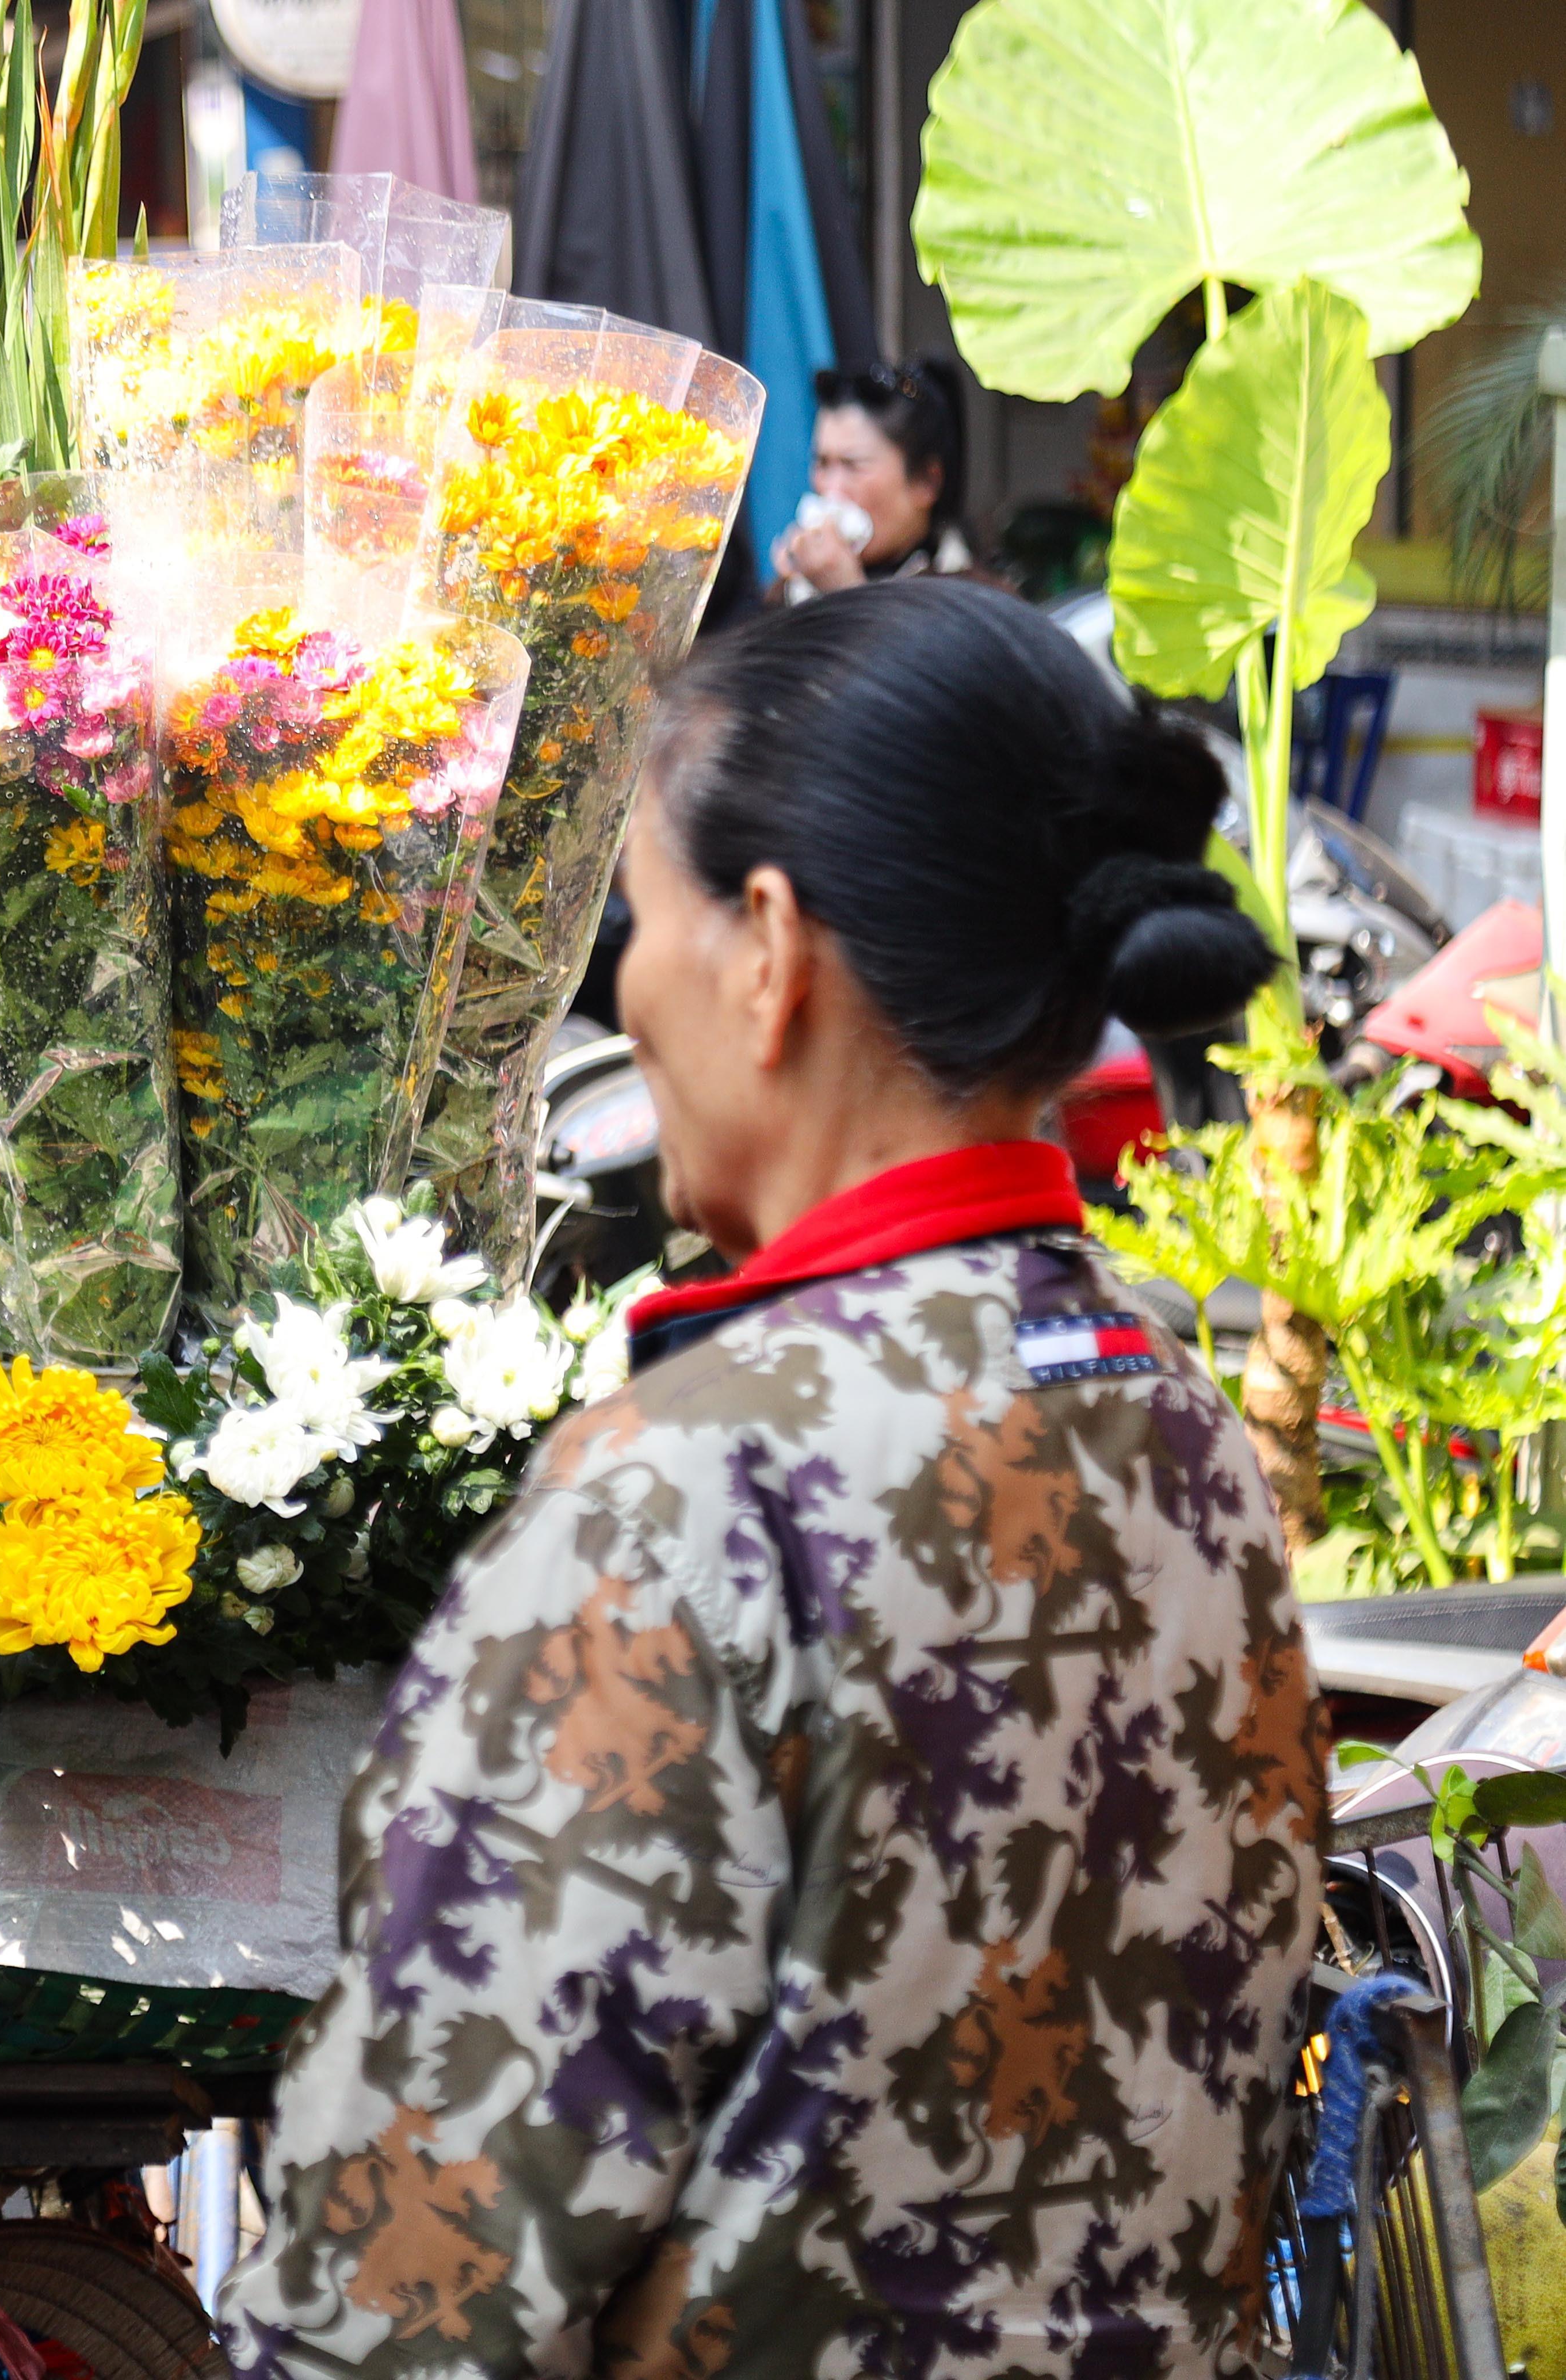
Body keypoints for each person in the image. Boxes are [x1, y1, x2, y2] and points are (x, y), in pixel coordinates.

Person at [218, 579, 1316, 2374]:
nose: (628, 991)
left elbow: (406, 2291)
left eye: (636, 919)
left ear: (768, 949)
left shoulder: (685, 1496)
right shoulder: (1180, 1418)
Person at [767, 357, 979, 599]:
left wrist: (846, 591)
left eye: (853, 466)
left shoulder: (975, 601)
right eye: (823, 463)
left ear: (926, 481)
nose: (831, 490)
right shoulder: (790, 590)